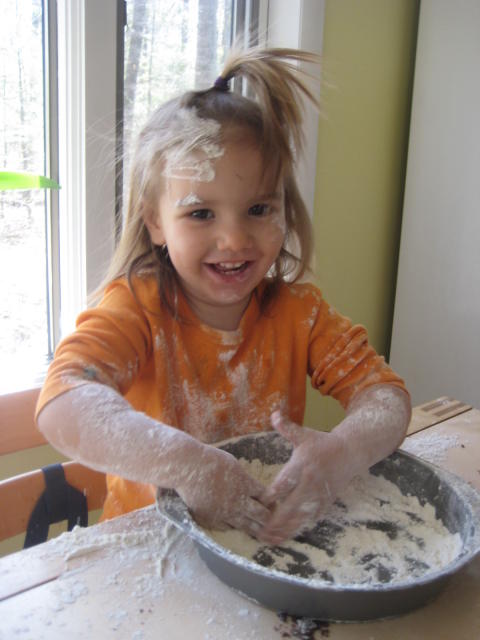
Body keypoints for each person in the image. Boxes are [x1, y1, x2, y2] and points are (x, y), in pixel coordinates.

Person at [36, 47, 411, 546]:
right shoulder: (136, 310)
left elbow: (386, 398)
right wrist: (187, 463)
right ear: (155, 221)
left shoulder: (300, 314)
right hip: (149, 549)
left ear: (285, 210)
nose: (234, 240)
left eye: (258, 209)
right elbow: (63, 401)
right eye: (200, 214)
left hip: (262, 541)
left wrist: (342, 452)